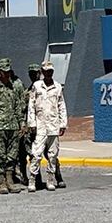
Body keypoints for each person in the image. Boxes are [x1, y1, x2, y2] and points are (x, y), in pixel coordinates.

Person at [27, 61, 67, 192]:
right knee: (36, 154)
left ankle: (50, 179)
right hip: (40, 125)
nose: (48, 73)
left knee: (52, 155)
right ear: (42, 72)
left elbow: (61, 106)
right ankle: (32, 180)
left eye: (50, 71)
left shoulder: (57, 87)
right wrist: (31, 123)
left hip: (53, 125)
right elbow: (31, 106)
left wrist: (63, 124)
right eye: (46, 71)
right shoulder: (37, 86)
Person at [0, 62, 22, 193]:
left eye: (9, 71)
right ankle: (1, 181)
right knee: (0, 155)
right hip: (0, 127)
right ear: (0, 73)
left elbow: (17, 106)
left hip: (13, 126)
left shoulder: (13, 87)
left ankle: (9, 180)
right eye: (5, 72)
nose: (7, 74)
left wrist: (21, 123)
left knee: (12, 155)